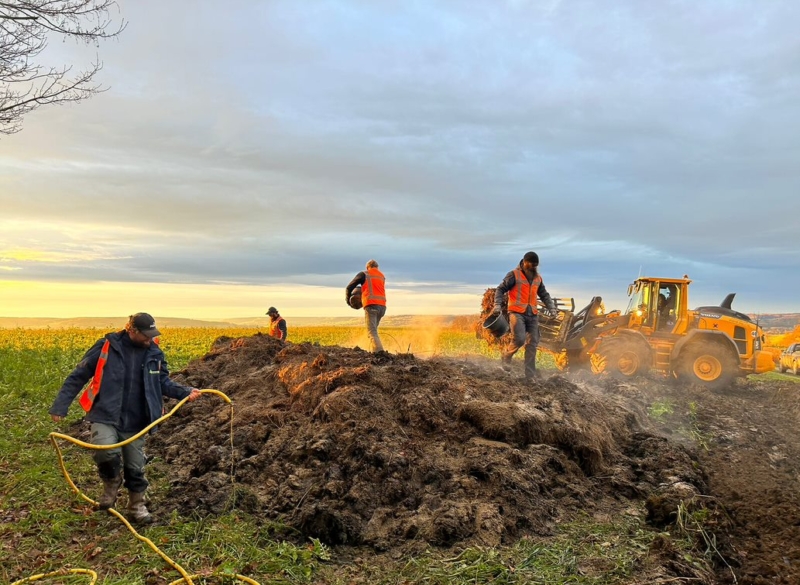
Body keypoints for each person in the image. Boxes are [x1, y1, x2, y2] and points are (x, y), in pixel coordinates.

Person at [49, 313, 202, 523]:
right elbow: (79, 375)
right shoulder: (106, 347)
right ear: (131, 330)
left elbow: (163, 382)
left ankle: (136, 506)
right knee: (103, 451)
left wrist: (185, 391)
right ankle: (112, 483)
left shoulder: (154, 353)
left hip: (137, 419)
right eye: (146, 335)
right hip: (106, 414)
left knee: (135, 465)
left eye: (153, 334)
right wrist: (60, 405)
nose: (150, 339)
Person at [493, 251, 557, 380]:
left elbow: (544, 294)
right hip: (516, 313)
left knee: (532, 343)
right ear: (525, 262)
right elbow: (500, 289)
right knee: (520, 339)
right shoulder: (514, 275)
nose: (534, 267)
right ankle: (506, 356)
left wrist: (552, 308)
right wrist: (497, 305)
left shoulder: (538, 278)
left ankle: (530, 376)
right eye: (532, 265)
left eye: (536, 265)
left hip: (532, 314)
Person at [345, 259, 386, 352]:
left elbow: (349, 287)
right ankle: (373, 351)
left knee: (372, 333)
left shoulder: (365, 274)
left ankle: (380, 354)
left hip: (371, 306)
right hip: (382, 307)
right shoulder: (382, 276)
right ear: (377, 267)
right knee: (374, 331)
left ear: (367, 267)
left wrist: (348, 301)